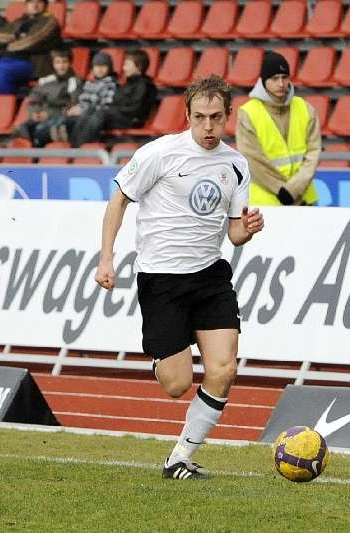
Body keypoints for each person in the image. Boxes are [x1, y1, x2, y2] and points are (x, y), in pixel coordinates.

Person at [94, 75, 264, 480]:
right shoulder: (160, 154)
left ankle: (179, 458)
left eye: (216, 118)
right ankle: (163, 355)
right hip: (162, 279)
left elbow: (234, 234)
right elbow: (119, 200)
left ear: (228, 117)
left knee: (223, 369)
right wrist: (106, 258)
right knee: (176, 384)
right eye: (200, 117)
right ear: (187, 115)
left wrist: (249, 228)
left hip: (209, 276)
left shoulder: (236, 165)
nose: (208, 127)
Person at [236, 51, 321, 206]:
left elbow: (314, 152)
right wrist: (283, 190)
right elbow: (253, 161)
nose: (281, 84)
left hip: (303, 199)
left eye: (284, 77)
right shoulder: (248, 113)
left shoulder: (305, 108)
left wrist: (293, 190)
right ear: (263, 81)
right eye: (275, 78)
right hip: (266, 202)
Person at [70, 49, 156, 147]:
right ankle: (74, 146)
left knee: (100, 114)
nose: (124, 68)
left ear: (138, 66)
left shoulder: (144, 85)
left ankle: (81, 147)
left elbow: (135, 109)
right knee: (90, 111)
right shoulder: (128, 83)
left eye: (127, 65)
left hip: (131, 120)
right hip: (118, 116)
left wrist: (112, 109)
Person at [14, 49, 81, 147]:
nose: (61, 66)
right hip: (42, 116)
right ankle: (32, 156)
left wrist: (48, 115)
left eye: (65, 62)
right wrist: (36, 113)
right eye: (58, 62)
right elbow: (33, 100)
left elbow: (73, 106)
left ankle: (38, 154)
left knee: (41, 132)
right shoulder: (46, 81)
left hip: (58, 118)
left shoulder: (75, 82)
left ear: (70, 63)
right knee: (22, 127)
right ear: (53, 64)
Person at [50, 51, 118, 143]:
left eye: (103, 66)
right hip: (80, 114)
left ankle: (70, 147)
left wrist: (83, 110)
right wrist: (74, 108)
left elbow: (105, 106)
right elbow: (81, 101)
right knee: (54, 123)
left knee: (64, 124)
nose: (99, 69)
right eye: (97, 66)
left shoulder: (111, 84)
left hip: (91, 117)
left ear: (109, 68)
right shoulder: (89, 83)